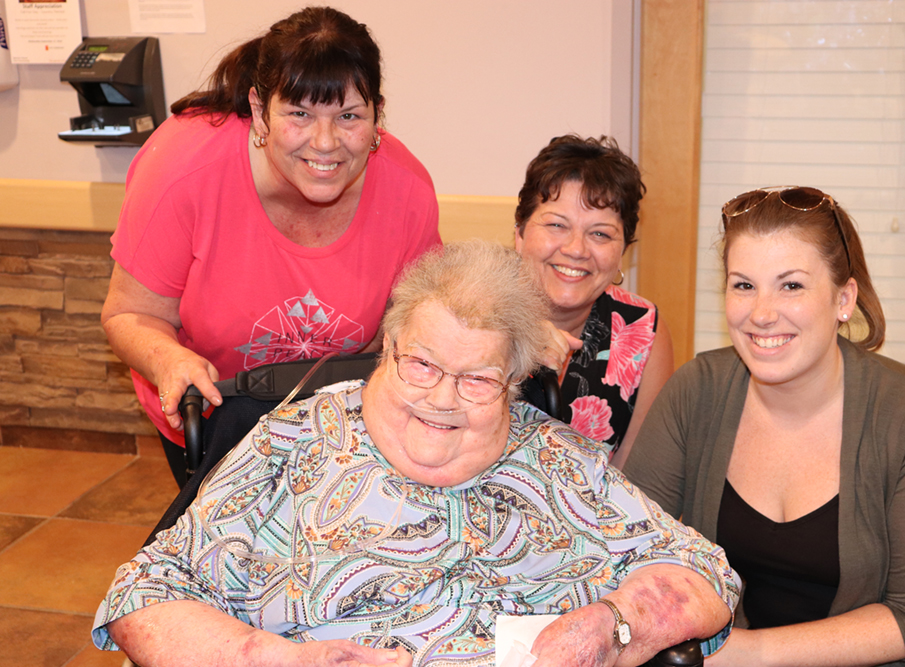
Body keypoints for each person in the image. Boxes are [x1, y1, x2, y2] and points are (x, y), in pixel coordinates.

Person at [93, 240, 740, 667]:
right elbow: (144, 592)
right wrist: (280, 658)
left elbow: (702, 568)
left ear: (513, 382)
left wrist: (617, 623)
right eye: (423, 363)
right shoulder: (294, 443)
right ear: (391, 347)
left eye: (479, 378)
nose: (443, 398)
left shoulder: (558, 460)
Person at [623, 187, 905, 666]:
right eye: (743, 285)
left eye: (791, 285)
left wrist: (750, 655)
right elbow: (628, 546)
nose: (761, 313)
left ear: (844, 298)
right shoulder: (696, 394)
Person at [100, 6, 441, 486]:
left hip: (337, 420)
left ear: (378, 115)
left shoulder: (408, 191)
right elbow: (128, 316)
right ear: (260, 110)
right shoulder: (182, 170)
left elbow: (423, 322)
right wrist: (169, 359)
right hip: (216, 417)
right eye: (299, 114)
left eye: (348, 116)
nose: (325, 143)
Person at [514, 135, 673, 467]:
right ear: (519, 234)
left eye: (600, 234)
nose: (576, 249)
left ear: (622, 253)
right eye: (557, 225)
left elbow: (631, 484)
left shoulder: (640, 330)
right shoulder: (474, 308)